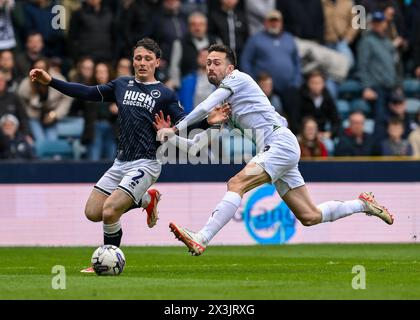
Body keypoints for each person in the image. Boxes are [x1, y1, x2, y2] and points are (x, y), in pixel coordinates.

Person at [157, 44, 394, 256]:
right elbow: (198, 146)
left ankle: (202, 237)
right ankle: (363, 204)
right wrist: (168, 138)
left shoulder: (238, 79)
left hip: (279, 143)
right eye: (208, 63)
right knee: (309, 216)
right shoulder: (226, 105)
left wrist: (176, 129)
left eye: (216, 63)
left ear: (230, 68)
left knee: (236, 184)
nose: (210, 67)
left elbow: (204, 106)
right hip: (280, 147)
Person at [29, 38, 229, 270]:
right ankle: (146, 199)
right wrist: (51, 81)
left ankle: (105, 261)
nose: (142, 63)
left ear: (157, 62)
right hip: (120, 162)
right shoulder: (121, 85)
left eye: (147, 59)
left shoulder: (164, 94)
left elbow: (184, 120)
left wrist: (207, 121)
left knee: (110, 211)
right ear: (133, 61)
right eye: (138, 58)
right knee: (93, 212)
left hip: (146, 163)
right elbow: (86, 92)